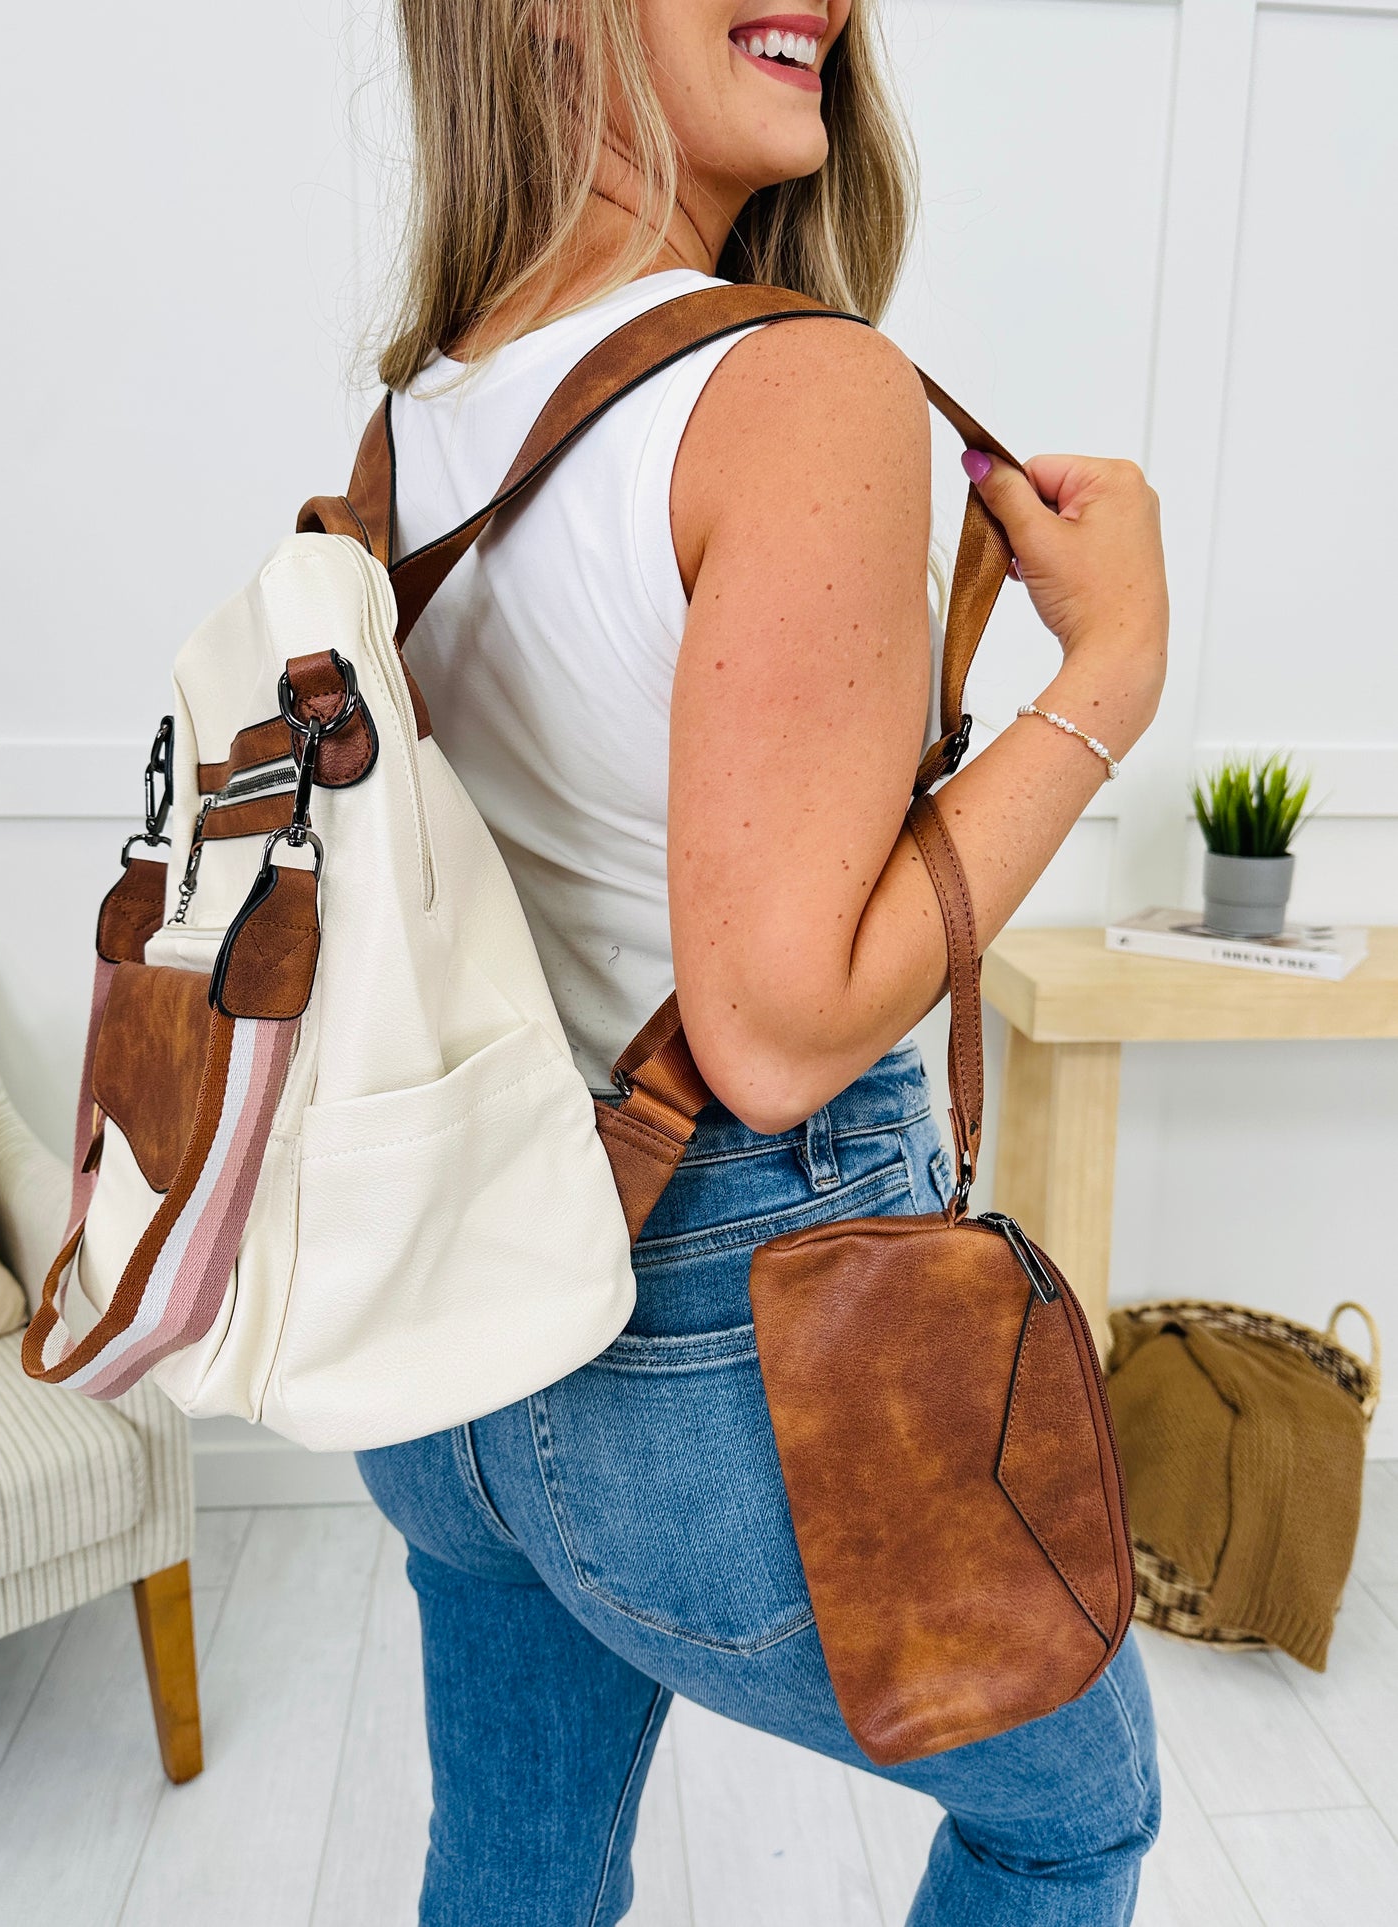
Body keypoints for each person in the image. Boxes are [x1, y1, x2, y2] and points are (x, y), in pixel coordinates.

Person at [354, 4, 1170, 1922]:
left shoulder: (426, 408)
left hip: (450, 1331)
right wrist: (1108, 677)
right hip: (723, 1352)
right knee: (1069, 1814)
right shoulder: (807, 391)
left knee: (516, 1866)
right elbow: (780, 1030)